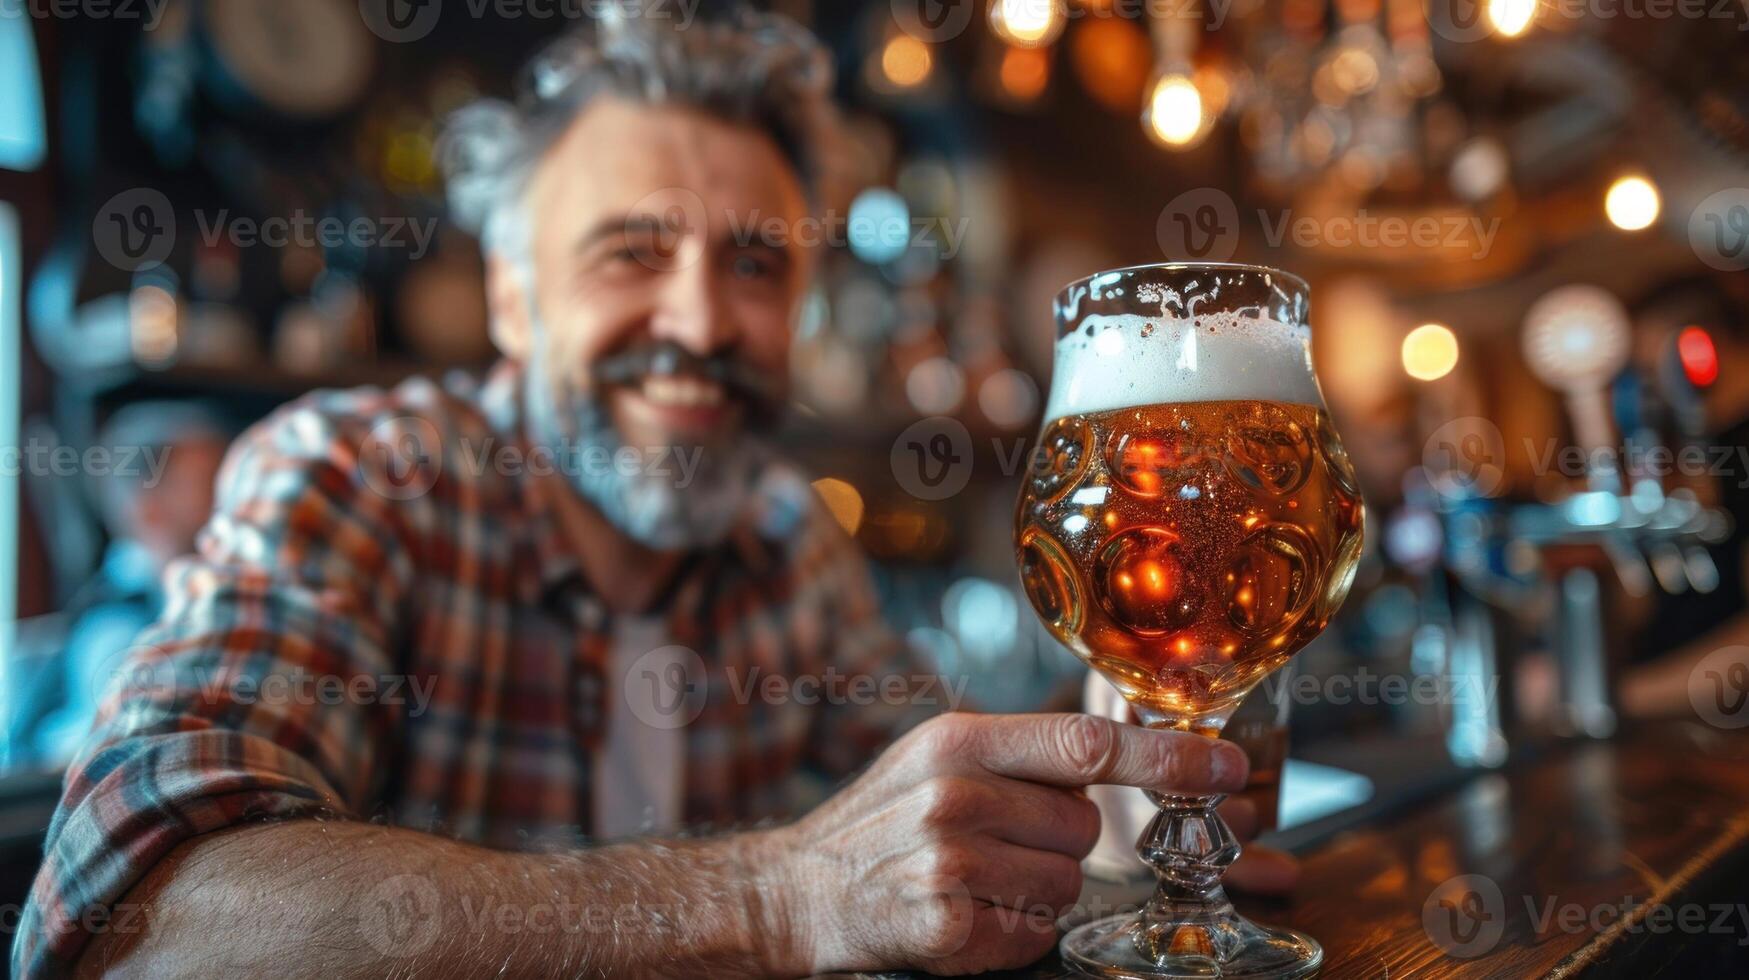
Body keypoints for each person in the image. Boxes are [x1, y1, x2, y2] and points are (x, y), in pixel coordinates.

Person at [14, 9, 1286, 978]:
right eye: (633, 251)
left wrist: (1097, 840)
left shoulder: (786, 538)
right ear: (512, 296)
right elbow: (128, 912)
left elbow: (920, 840)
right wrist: (778, 894)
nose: (700, 321)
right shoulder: (360, 472)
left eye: (754, 265)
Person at [24, 402, 231, 765]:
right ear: (148, 509)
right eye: (208, 483)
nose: (231, 502)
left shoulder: (199, 596)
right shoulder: (117, 627)